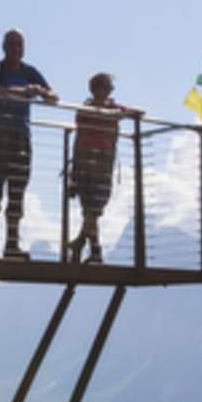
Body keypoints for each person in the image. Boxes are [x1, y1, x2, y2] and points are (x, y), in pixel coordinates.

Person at [0, 29, 56, 260]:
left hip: (21, 136)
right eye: (11, 44)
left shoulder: (29, 71)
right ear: (3, 46)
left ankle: (12, 245)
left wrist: (40, 90)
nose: (15, 49)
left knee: (17, 191)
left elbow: (54, 96)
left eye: (19, 44)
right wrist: (22, 92)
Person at [67, 73, 140, 265]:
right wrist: (73, 172)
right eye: (106, 87)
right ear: (96, 89)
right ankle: (93, 251)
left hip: (103, 164)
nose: (109, 92)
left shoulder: (113, 108)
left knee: (94, 209)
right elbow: (80, 135)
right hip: (86, 164)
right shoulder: (84, 110)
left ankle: (83, 245)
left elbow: (137, 113)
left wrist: (122, 112)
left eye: (110, 88)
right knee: (91, 210)